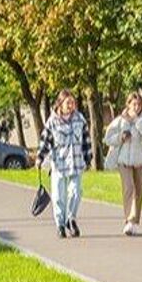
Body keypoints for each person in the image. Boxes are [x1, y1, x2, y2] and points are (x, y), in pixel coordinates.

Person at [105, 92, 142, 236]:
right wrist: (120, 137)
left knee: (139, 191)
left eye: (139, 104)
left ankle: (135, 222)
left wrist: (137, 121)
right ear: (128, 104)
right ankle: (129, 220)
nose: (136, 107)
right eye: (134, 104)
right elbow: (108, 138)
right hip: (124, 161)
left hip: (141, 161)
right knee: (129, 188)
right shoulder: (120, 121)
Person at [41, 90, 90, 238]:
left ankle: (71, 219)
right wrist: (40, 158)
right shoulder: (52, 122)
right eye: (68, 103)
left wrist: (88, 158)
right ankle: (60, 224)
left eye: (72, 103)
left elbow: (86, 140)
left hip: (76, 163)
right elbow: (45, 141)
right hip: (59, 164)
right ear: (60, 104)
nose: (71, 105)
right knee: (58, 197)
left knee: (76, 192)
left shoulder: (79, 119)